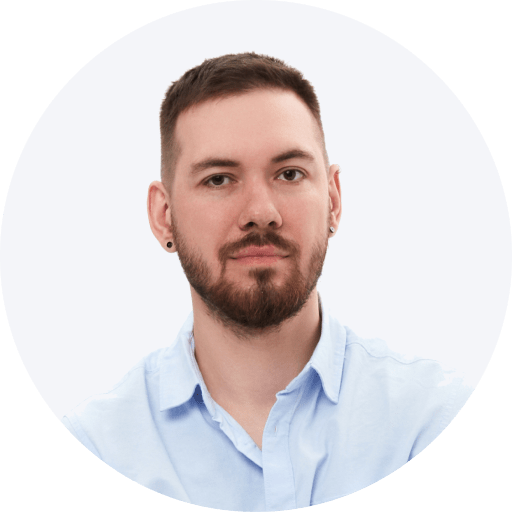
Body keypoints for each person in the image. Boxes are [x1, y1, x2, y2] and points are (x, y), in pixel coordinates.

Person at [63, 53, 472, 510]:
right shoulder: (94, 450)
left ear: (333, 201)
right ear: (164, 216)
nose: (261, 212)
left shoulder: (438, 423)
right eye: (219, 180)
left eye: (289, 174)